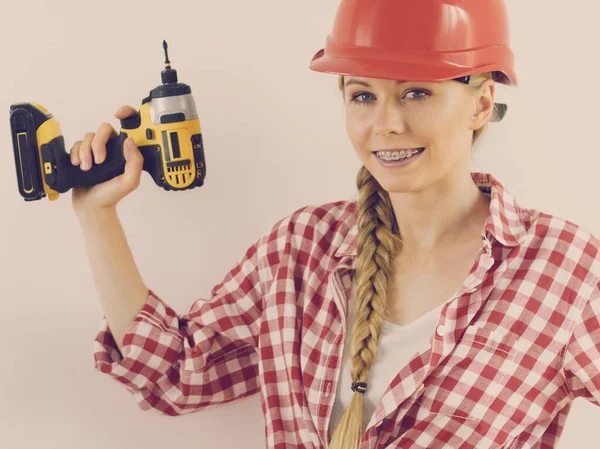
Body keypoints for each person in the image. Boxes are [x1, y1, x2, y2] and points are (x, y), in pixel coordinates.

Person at [71, 1, 600, 448]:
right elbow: (174, 374)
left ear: (481, 104)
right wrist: (98, 215)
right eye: (363, 95)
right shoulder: (299, 250)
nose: (386, 124)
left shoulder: (564, 270)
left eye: (417, 92)